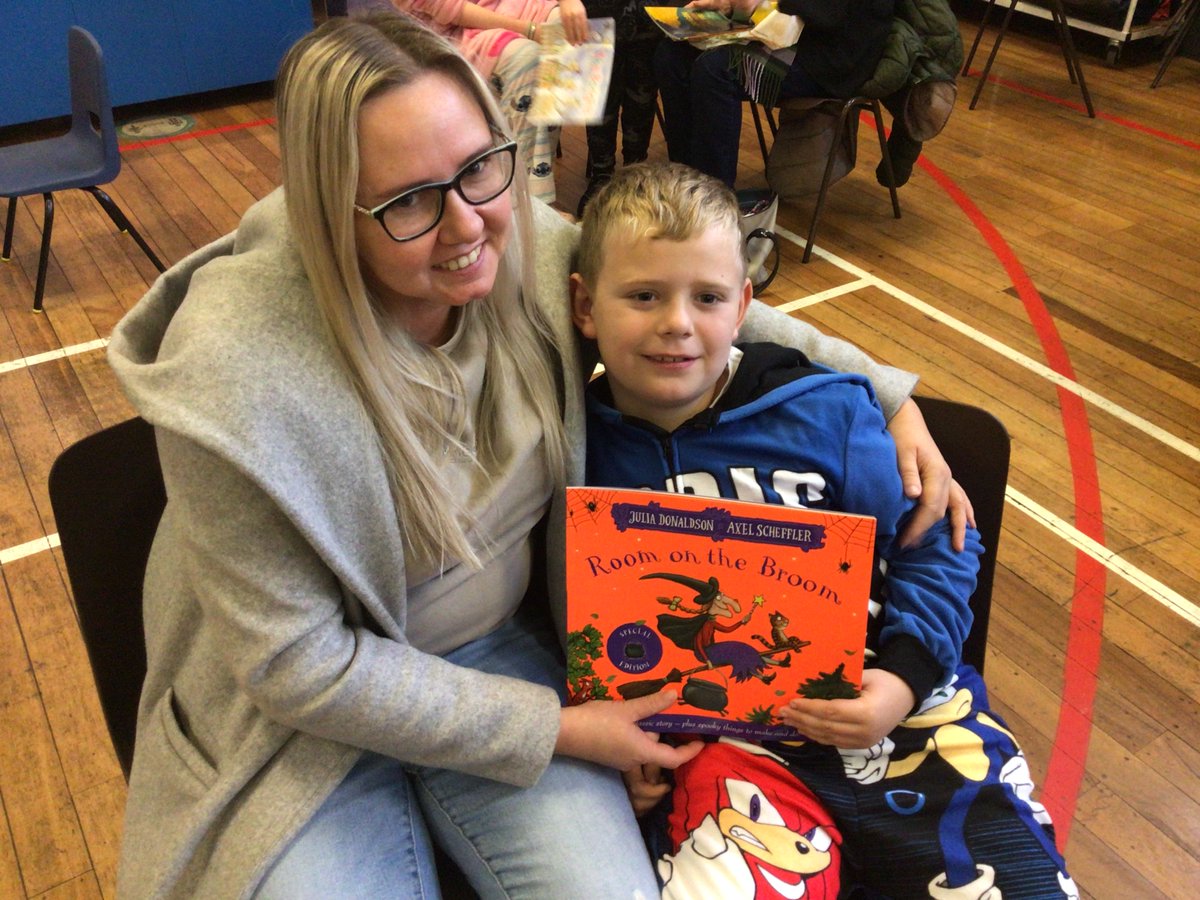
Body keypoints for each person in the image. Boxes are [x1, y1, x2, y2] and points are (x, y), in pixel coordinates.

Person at [107, 12, 967, 897]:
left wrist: (885, 395)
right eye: (408, 200)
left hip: (493, 647)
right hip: (299, 721)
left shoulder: (520, 238)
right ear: (327, 209)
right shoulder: (232, 372)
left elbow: (700, 302)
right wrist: (560, 731)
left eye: (481, 166)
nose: (469, 225)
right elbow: (299, 666)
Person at [570, 162, 1079, 898]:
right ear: (586, 306)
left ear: (743, 305)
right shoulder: (575, 448)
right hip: (721, 748)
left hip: (910, 719)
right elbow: (576, 627)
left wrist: (902, 681)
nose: (677, 322)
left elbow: (939, 543)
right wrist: (624, 750)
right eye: (644, 295)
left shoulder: (828, 413)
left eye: (707, 297)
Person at [654, 0, 896, 188]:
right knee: (672, 56)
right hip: (787, 30)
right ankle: (685, 180)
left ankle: (714, 199)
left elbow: (827, 13)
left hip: (832, 57)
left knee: (716, 71)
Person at [390, 0, 590, 204]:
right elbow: (453, 10)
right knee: (527, 59)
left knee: (568, 34)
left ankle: (541, 187)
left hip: (510, 7)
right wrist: (529, 30)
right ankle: (522, 200)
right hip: (446, 32)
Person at [573, 0, 663, 216]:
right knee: (600, 98)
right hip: (597, 14)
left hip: (647, 14)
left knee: (641, 97)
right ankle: (601, 175)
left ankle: (635, 170)